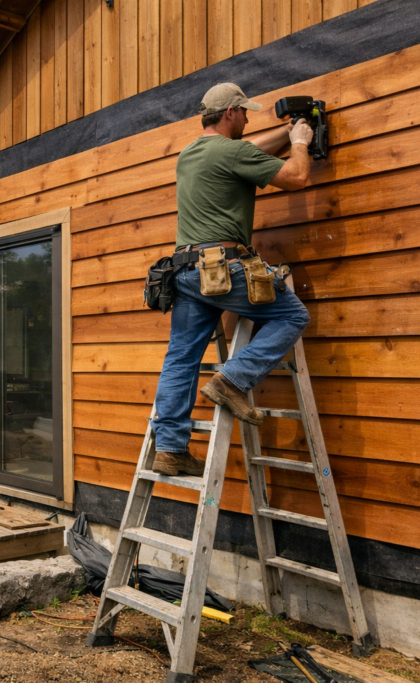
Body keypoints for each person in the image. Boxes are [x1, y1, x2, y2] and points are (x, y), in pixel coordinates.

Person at [151, 83, 314, 476]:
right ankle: (232, 382)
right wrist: (301, 143)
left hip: (186, 273)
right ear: (230, 114)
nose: (247, 118)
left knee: (181, 356)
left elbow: (248, 148)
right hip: (224, 268)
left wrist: (290, 128)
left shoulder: (190, 152)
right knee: (293, 317)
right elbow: (295, 177)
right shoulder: (234, 151)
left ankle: (170, 450)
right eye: (244, 112)